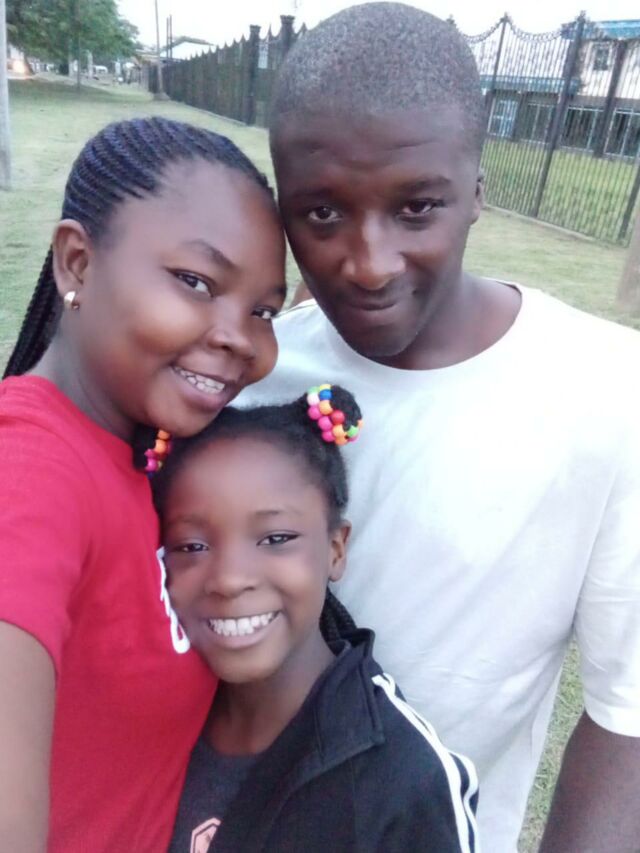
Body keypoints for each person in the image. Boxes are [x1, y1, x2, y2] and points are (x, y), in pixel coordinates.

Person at [237, 4, 640, 852]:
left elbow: (623, 720)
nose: (368, 262)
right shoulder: (250, 377)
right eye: (321, 214)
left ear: (478, 191)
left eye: (417, 207)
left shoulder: (609, 393)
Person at [0, 117, 286, 851]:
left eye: (262, 311)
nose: (240, 338)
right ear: (77, 262)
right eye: (196, 282)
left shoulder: (150, 451)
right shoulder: (29, 467)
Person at [152, 386, 478, 852]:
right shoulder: (148, 714)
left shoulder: (401, 780)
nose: (229, 579)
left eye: (275, 538)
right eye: (191, 546)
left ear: (335, 549)